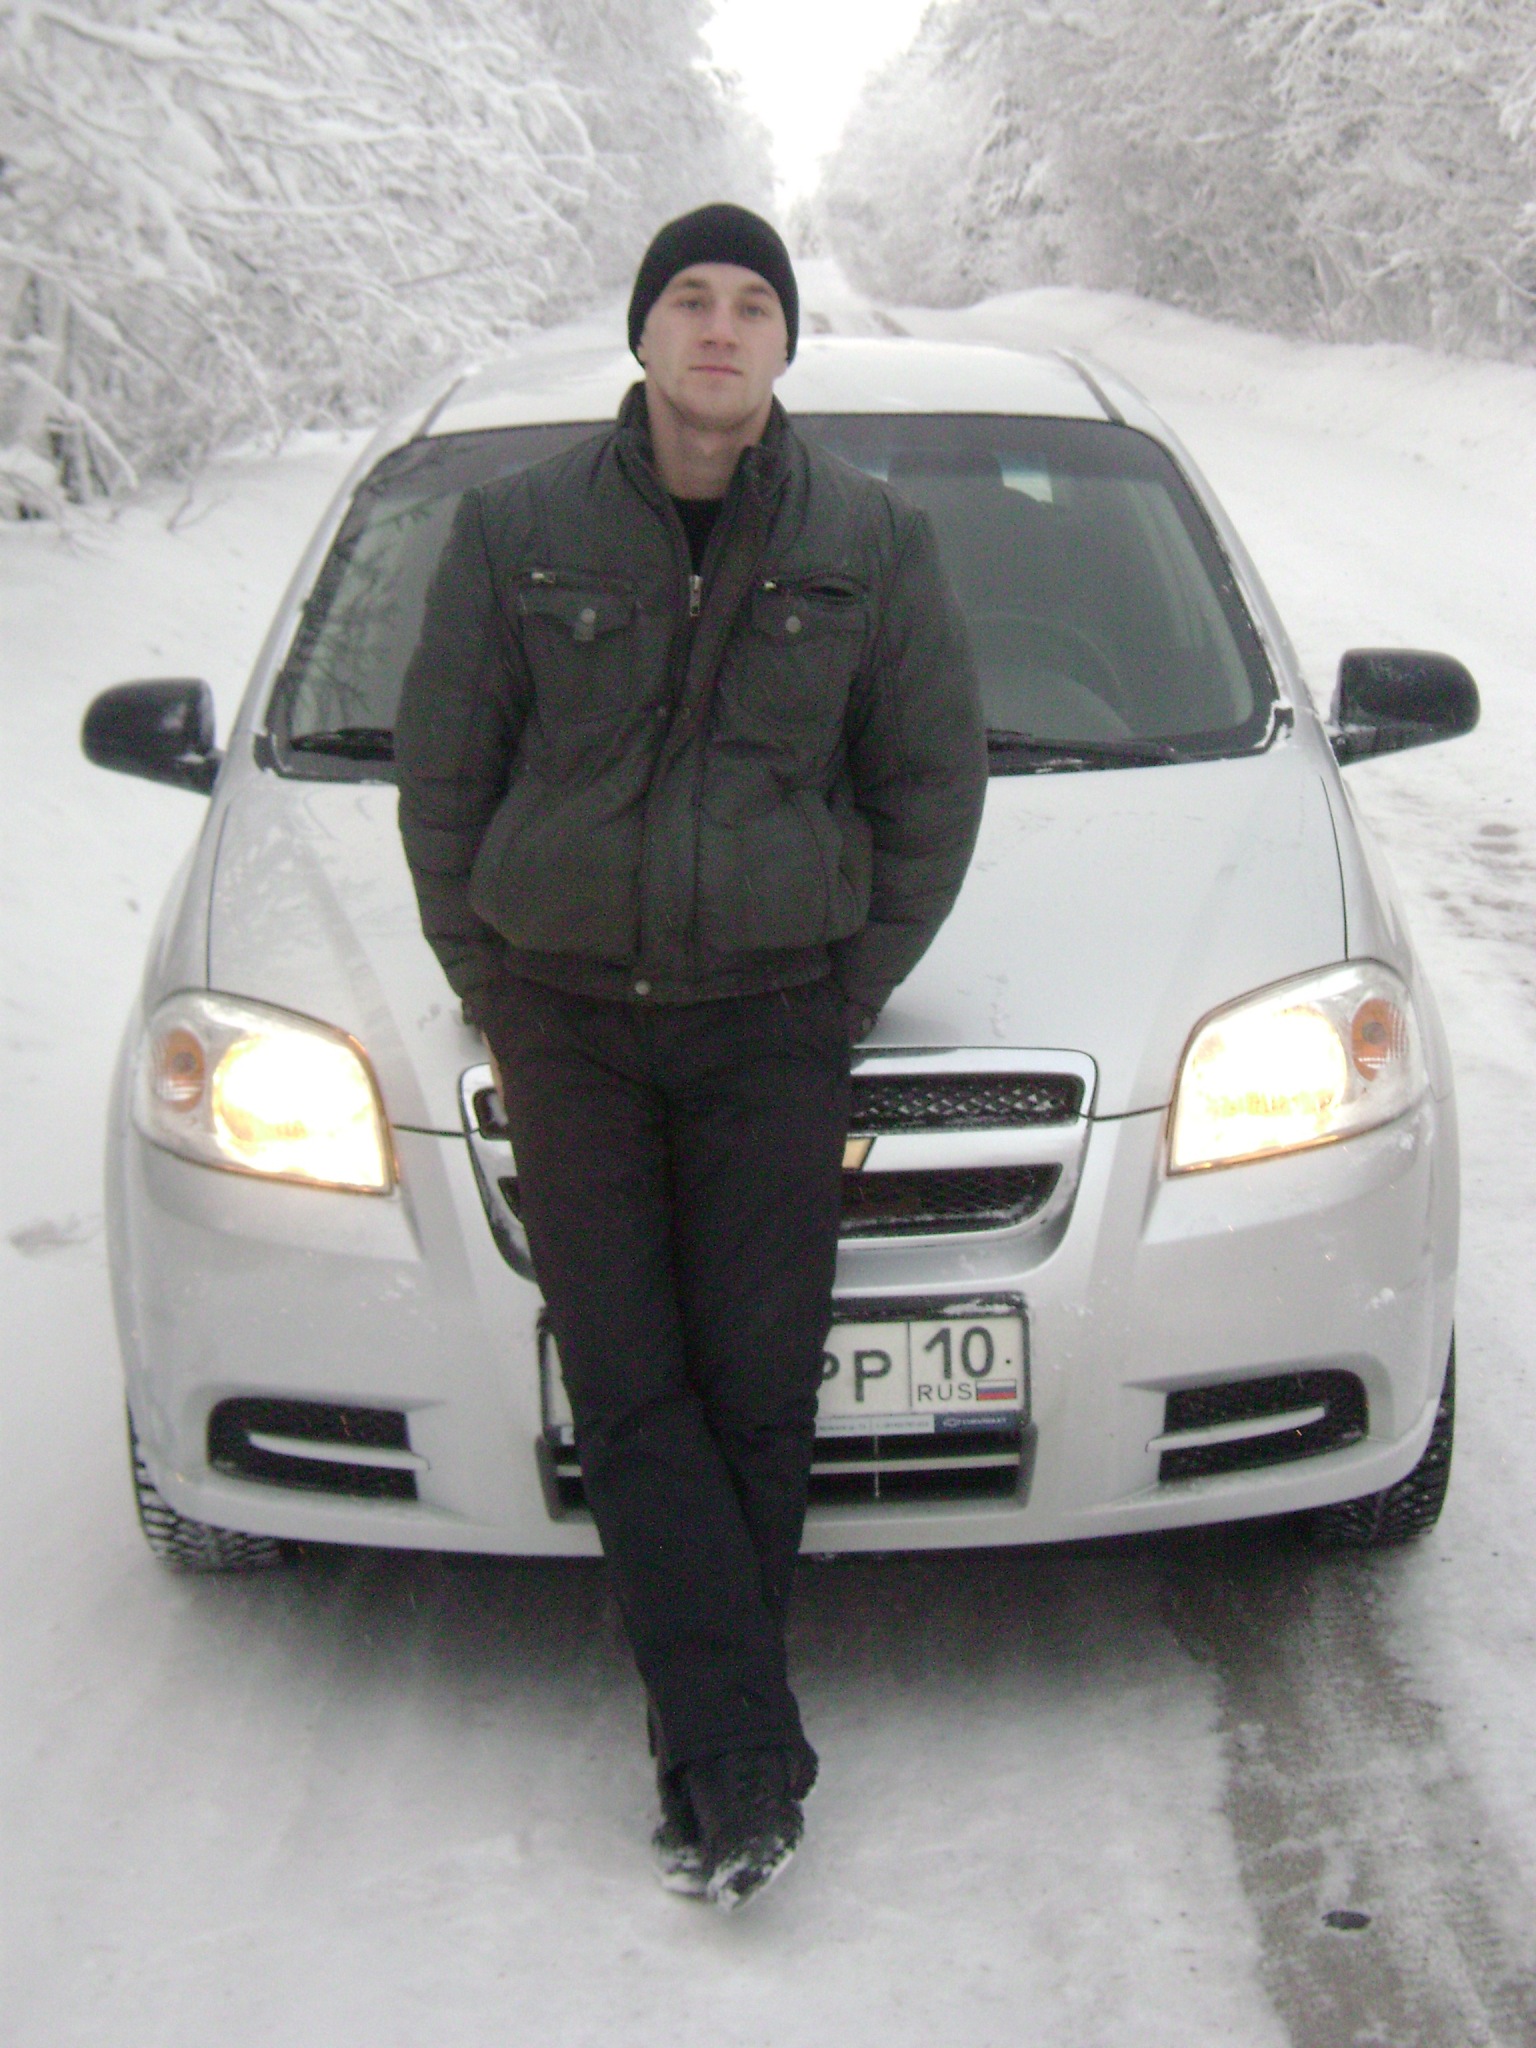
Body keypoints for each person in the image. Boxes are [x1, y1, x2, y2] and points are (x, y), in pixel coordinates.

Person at [395, 203, 987, 1911]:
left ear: (787, 342)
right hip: (569, 1021)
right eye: (689, 299)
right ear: (644, 331)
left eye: (752, 305)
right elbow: (445, 773)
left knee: (756, 1384)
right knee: (629, 1379)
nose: (720, 329)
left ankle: (717, 1747)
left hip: (770, 1022)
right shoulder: (514, 528)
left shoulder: (871, 539)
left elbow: (931, 786)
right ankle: (738, 1762)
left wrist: (842, 985)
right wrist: (492, 976)